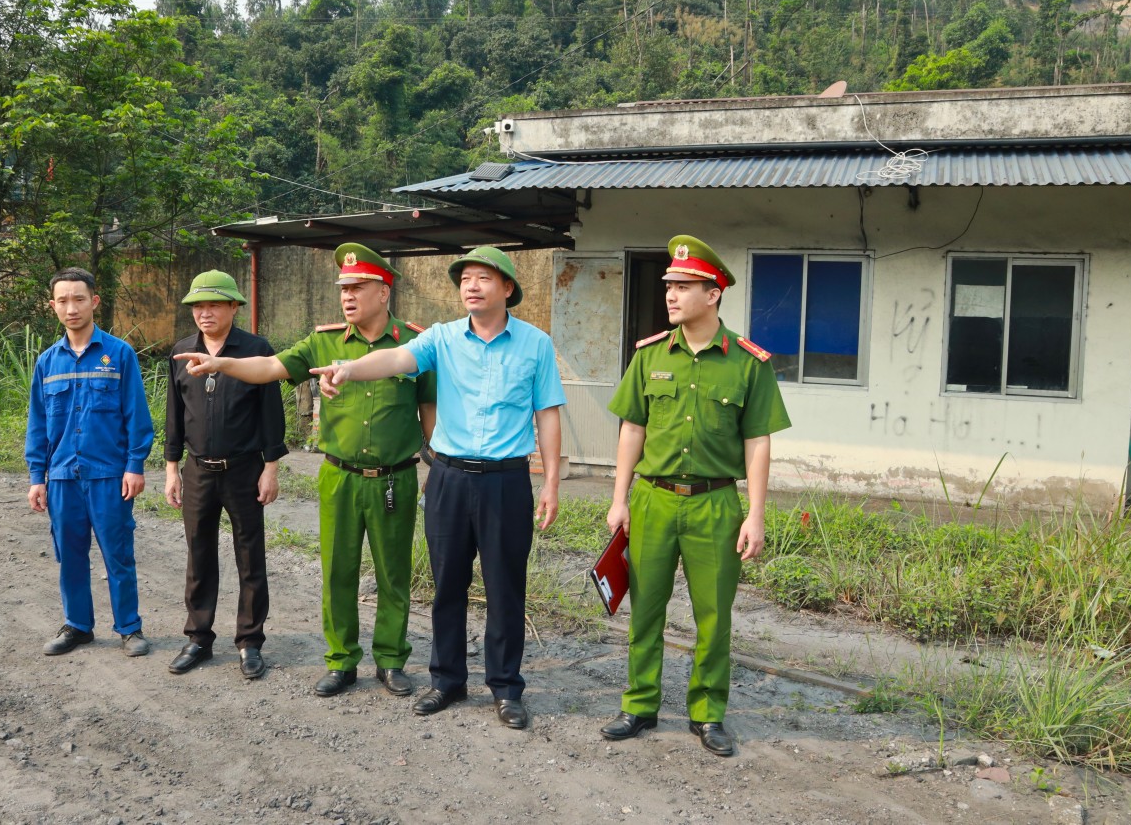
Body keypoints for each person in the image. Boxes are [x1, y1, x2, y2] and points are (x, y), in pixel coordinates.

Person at [312, 246, 565, 730]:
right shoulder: (442, 338)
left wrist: (551, 483)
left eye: (483, 278)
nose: (471, 286)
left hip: (507, 481)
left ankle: (506, 688)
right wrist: (348, 367)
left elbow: (548, 413)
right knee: (447, 584)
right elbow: (394, 357)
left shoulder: (535, 344)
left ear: (507, 288)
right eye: (465, 278)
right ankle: (447, 680)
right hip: (449, 479)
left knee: (505, 587)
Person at [176, 244, 435, 698]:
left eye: (358, 287)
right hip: (338, 476)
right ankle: (341, 661)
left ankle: (391, 659)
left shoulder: (415, 346)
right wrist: (223, 363)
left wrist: (439, 468)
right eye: (343, 289)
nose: (347, 296)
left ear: (384, 292)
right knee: (338, 572)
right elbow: (270, 366)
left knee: (394, 574)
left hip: (395, 477)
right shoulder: (323, 342)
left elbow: (429, 414)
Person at [598, 235, 791, 757]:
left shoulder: (748, 363)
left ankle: (707, 713)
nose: (671, 294)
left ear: (713, 294)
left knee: (714, 615)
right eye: (669, 285)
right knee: (645, 610)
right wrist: (619, 498)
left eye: (684, 286)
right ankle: (640, 704)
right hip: (653, 501)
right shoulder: (650, 355)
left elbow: (758, 442)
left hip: (715, 504)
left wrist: (755, 514)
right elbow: (632, 429)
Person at [25, 267, 155, 658]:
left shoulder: (119, 354)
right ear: (52, 306)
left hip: (109, 476)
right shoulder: (47, 362)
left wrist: (135, 465)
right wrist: (37, 477)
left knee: (118, 554)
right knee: (70, 555)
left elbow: (136, 415)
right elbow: (38, 424)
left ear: (94, 302)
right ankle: (78, 626)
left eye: (79, 299)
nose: (72, 308)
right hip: (63, 476)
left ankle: (129, 628)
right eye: (63, 301)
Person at [163, 270, 286, 679]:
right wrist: (172, 469)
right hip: (198, 470)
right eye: (198, 306)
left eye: (214, 304)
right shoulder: (182, 352)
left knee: (250, 556)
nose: (205, 313)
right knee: (198, 554)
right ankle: (198, 638)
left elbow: (271, 414)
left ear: (234, 306)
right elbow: (175, 415)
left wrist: (270, 468)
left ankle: (250, 641)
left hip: (244, 470)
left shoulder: (256, 350)